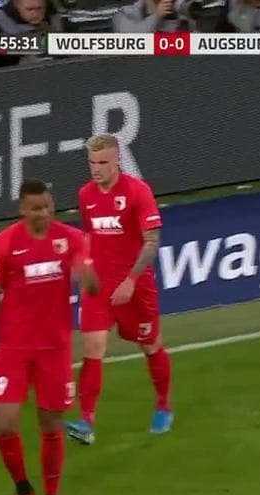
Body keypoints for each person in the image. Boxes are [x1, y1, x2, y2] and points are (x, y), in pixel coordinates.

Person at [0, 179, 99, 495]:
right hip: (14, 349)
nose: (43, 214)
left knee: (51, 425)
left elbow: (91, 284)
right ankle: (23, 489)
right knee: (5, 424)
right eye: (35, 208)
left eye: (47, 207)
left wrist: (88, 278)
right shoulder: (3, 244)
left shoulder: (71, 239)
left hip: (54, 350)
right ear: (22, 209)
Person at [64, 133, 173, 445]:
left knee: (150, 344)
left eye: (102, 162)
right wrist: (83, 264)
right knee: (92, 347)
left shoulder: (138, 191)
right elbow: (90, 235)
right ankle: (86, 422)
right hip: (99, 286)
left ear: (117, 161)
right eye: (91, 162)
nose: (96, 169)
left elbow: (151, 242)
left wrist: (131, 280)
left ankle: (163, 405)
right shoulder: (86, 194)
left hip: (135, 287)